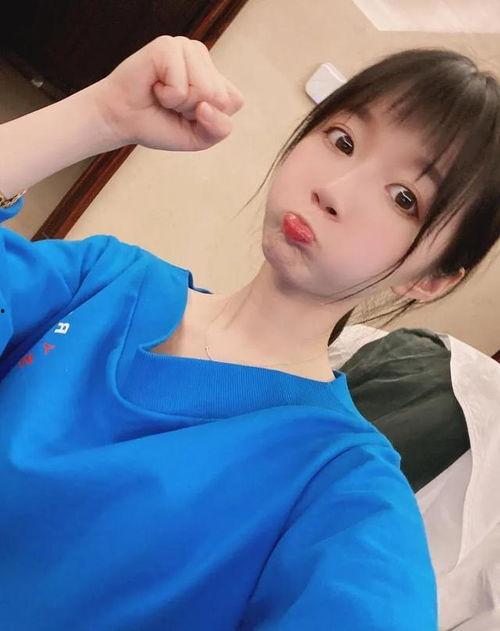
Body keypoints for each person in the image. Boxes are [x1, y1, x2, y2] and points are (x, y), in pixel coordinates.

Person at [0, 35, 499, 630]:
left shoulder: (343, 491)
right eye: (342, 141)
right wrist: (99, 115)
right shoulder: (101, 279)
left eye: (404, 199)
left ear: (432, 281)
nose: (334, 190)